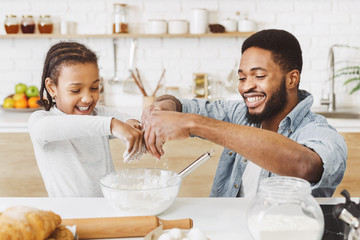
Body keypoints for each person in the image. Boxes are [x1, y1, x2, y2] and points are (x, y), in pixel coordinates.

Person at [141, 29, 347, 197]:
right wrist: (160, 110)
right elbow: (179, 105)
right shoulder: (238, 113)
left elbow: (303, 165)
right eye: (242, 78)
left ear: (291, 79)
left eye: (258, 75)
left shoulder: (321, 133)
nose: (246, 87)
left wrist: (195, 123)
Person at [28, 41, 145, 197]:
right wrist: (112, 125)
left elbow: (133, 121)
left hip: (107, 209)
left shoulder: (99, 115)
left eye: (94, 88)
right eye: (76, 90)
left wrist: (132, 125)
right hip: (69, 214)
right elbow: (59, 127)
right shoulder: (41, 121)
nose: (88, 98)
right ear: (51, 88)